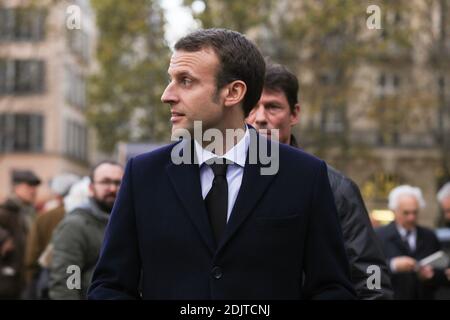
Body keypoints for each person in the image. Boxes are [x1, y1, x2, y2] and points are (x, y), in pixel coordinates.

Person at [88, 28, 355, 300]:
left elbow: (332, 288)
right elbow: (109, 287)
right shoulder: (143, 175)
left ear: (233, 92)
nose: (167, 95)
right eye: (171, 80)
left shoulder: (304, 176)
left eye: (186, 81)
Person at [246, 62, 393, 299]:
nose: (261, 118)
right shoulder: (222, 180)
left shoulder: (336, 188)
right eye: (253, 107)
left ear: (294, 114)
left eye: (272, 107)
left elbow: (371, 277)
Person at [48, 161, 123, 300]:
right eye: (105, 182)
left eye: (118, 183)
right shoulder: (75, 226)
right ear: (91, 187)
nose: (112, 188)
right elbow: (67, 282)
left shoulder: (128, 222)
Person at [376, 185, 449, 299]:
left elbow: (443, 274)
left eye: (415, 212)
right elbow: (369, 271)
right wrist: (393, 265)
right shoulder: (378, 236)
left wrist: (431, 275)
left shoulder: (429, 236)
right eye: (406, 213)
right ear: (394, 211)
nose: (411, 217)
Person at [23, 173, 80, 299]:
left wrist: (32, 281)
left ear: (57, 195)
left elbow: (32, 257)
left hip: (50, 282)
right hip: (79, 282)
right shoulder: (88, 217)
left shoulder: (44, 218)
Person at [0, 170, 41, 299]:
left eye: (35, 187)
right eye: (29, 186)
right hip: (9, 282)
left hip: (27, 279)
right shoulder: (5, 211)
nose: (33, 190)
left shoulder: (30, 212)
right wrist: (3, 239)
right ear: (16, 187)